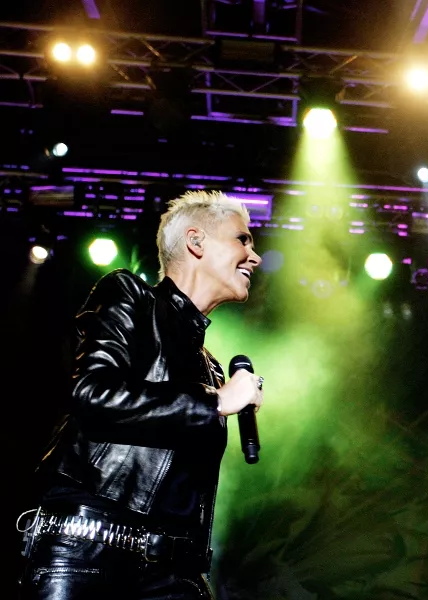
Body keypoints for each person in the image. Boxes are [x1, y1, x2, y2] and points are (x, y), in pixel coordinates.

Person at [16, 190, 264, 599]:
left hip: (173, 573)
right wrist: (215, 401)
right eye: (243, 240)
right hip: (87, 556)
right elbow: (93, 393)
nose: (254, 257)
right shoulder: (130, 295)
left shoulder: (211, 367)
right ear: (196, 241)